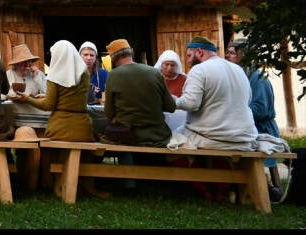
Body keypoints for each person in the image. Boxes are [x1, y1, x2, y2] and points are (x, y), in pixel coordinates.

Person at [12, 40, 108, 198]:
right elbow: (70, 96)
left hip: (60, 127)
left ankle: (49, 182)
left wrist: (27, 99)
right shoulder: (84, 74)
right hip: (83, 128)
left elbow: (48, 105)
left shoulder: (54, 77)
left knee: (44, 146)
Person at [170, 36, 258, 201]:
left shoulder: (200, 69)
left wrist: (172, 100)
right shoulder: (238, 69)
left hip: (213, 137)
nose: (188, 61)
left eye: (189, 56)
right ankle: (221, 190)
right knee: (219, 150)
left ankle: (204, 189)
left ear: (199, 52)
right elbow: (248, 99)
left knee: (170, 143)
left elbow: (190, 103)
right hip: (243, 137)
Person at [101, 39, 177, 189]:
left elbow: (109, 113)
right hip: (157, 136)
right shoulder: (155, 72)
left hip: (127, 136)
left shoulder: (113, 75)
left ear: (112, 59)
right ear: (132, 52)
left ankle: (129, 183)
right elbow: (171, 107)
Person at [227, 38, 283, 201]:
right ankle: (232, 185)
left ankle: (265, 186)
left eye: (232, 53)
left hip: (261, 129)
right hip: (243, 127)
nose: (227, 56)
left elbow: (260, 110)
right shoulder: (239, 77)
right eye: (227, 53)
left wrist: (234, 114)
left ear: (243, 55)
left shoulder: (258, 78)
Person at [4, 43, 48, 132]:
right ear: (16, 64)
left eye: (30, 61)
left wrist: (36, 78)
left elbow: (46, 92)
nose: (28, 64)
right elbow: (2, 94)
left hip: (35, 111)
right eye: (24, 62)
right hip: (15, 114)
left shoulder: (38, 74)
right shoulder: (8, 75)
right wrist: (11, 95)